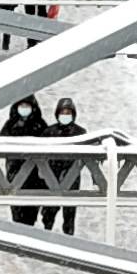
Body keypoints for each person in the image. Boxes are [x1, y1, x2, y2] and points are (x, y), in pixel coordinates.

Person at [0, 95, 55, 228]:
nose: (24, 109)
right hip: (15, 173)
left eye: (27, 106)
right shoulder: (10, 125)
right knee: (17, 209)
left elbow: (48, 146)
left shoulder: (39, 124)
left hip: (35, 177)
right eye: (21, 106)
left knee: (30, 210)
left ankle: (27, 232)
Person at [45, 98, 94, 235]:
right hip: (51, 175)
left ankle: (69, 239)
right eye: (63, 112)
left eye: (68, 113)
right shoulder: (49, 132)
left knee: (69, 213)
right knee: (49, 212)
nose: (65, 115)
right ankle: (46, 237)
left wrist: (95, 178)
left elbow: (91, 156)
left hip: (72, 176)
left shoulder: (80, 132)